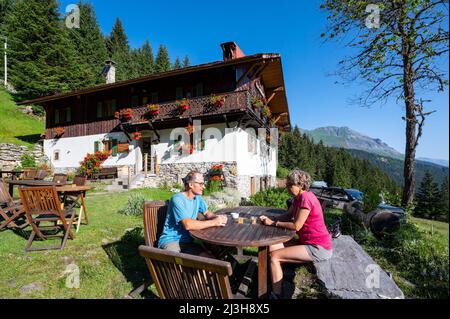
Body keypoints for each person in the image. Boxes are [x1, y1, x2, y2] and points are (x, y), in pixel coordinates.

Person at [259, 169, 333, 299]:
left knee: (274, 257)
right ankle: (277, 277)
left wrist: (273, 223)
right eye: (287, 184)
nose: (288, 188)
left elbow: (296, 225)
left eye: (290, 185)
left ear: (301, 185)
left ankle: (276, 295)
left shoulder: (305, 198)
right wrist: (272, 219)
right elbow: (288, 215)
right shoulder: (297, 198)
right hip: (307, 242)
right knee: (272, 246)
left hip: (318, 247)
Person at [157, 171, 227, 257]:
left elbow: (207, 213)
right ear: (190, 185)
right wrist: (214, 222)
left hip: (188, 242)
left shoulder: (198, 198)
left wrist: (218, 217)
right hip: (171, 240)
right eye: (201, 184)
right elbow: (188, 224)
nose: (204, 187)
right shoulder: (177, 199)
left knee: (211, 260)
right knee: (176, 263)